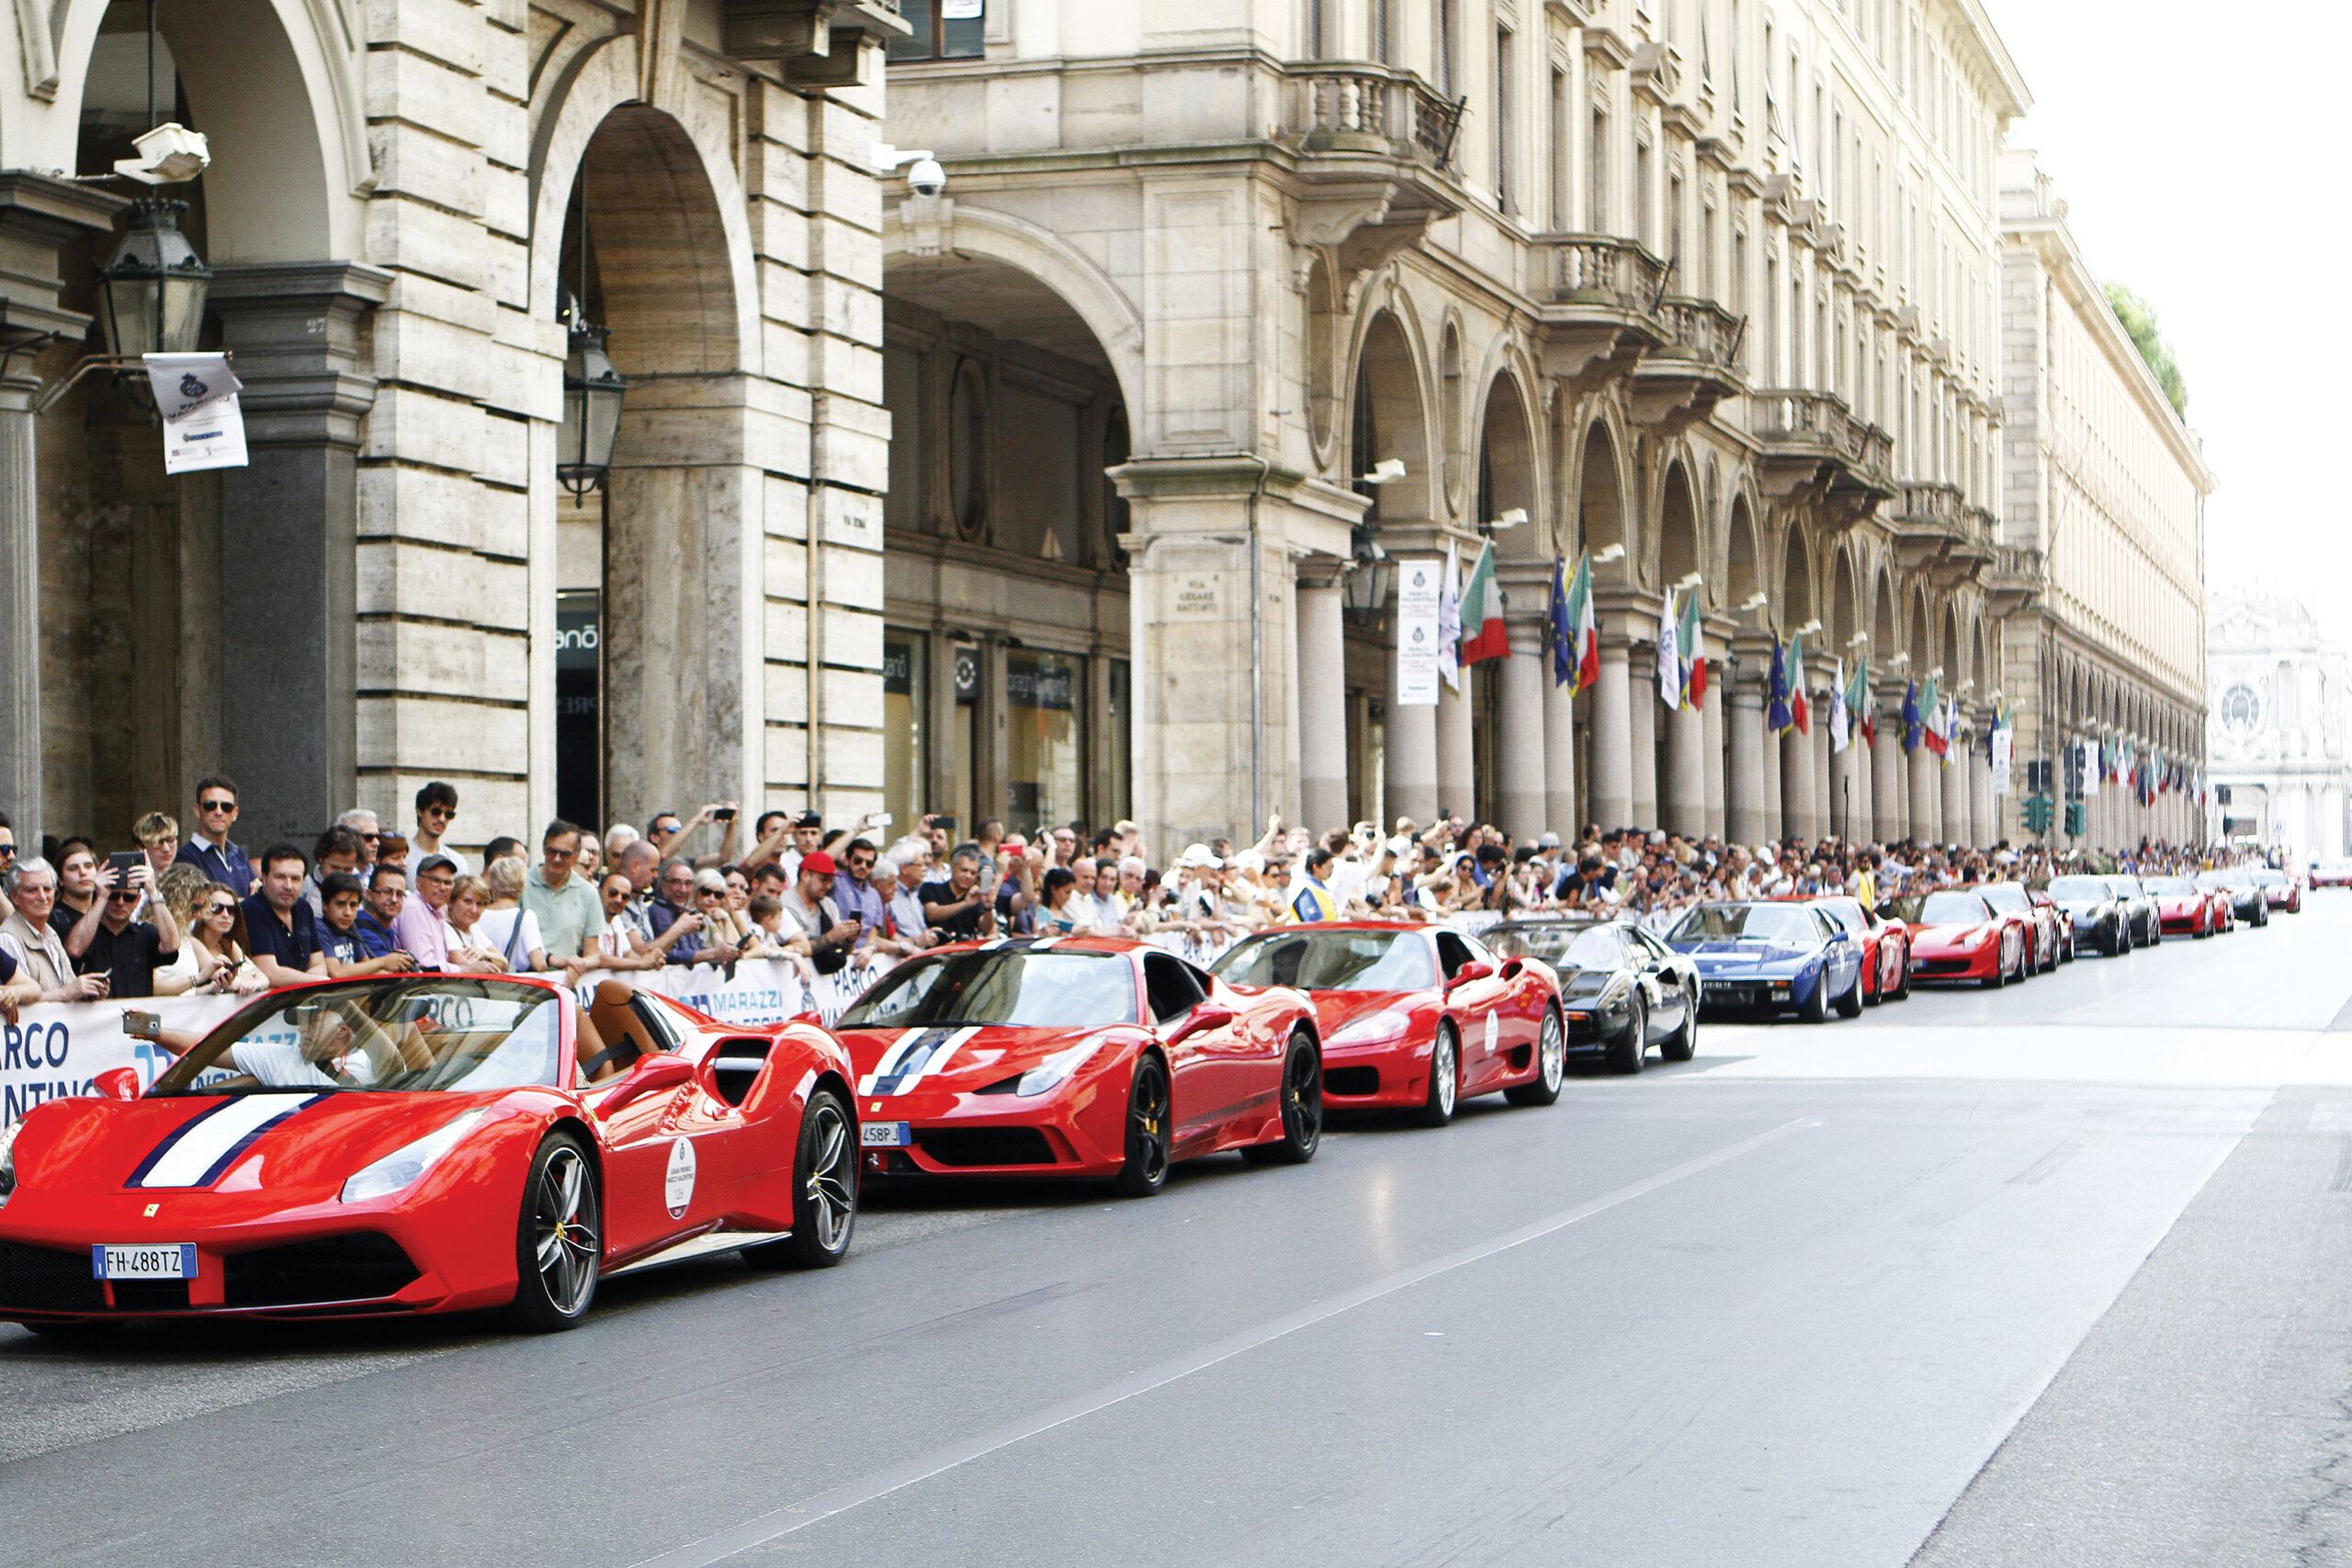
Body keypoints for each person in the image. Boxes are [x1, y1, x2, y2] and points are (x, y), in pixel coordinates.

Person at [70, 861, 176, 998]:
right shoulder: (84, 931)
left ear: (138, 900)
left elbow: (172, 946)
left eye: (129, 897)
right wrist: (102, 897)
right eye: (113, 896)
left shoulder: (145, 934)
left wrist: (153, 892)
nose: (120, 903)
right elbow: (75, 949)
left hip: (136, 1017)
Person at [4, 859, 105, 1000]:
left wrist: (86, 993)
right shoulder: (7, 938)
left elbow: (68, 989)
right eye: (32, 890)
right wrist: (66, 993)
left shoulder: (50, 933)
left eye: (47, 889)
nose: (42, 897)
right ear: (15, 897)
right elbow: (17, 1002)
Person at [154, 880, 266, 996]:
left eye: (231, 910)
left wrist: (255, 983)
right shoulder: (192, 941)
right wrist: (248, 979)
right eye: (216, 907)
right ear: (202, 909)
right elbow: (225, 980)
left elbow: (263, 978)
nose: (225, 915)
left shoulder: (228, 944)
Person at [241, 842, 328, 987]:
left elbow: (319, 964)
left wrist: (309, 987)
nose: (288, 886)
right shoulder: (251, 910)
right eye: (280, 877)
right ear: (264, 878)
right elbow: (270, 973)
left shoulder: (304, 908)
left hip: (303, 998)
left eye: (295, 879)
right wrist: (316, 982)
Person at [522, 818, 601, 969]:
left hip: (564, 981)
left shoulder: (588, 892)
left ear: (577, 855)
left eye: (564, 854)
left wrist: (578, 964)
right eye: (552, 851)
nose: (556, 858)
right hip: (524, 979)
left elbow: (594, 954)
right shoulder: (521, 883)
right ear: (544, 849)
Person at [318, 873, 416, 978]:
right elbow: (336, 973)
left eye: (353, 905)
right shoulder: (319, 928)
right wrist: (384, 961)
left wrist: (402, 975)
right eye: (341, 904)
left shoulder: (350, 927)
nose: (348, 912)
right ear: (325, 905)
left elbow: (368, 967)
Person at [175, 774, 257, 895]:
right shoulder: (185, 858)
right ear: (197, 811)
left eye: (226, 807)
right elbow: (201, 906)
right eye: (210, 805)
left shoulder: (239, 856)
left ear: (235, 813)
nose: (218, 812)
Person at [781, 851, 862, 971]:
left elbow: (843, 951)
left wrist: (850, 939)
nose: (828, 886)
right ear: (805, 875)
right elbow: (798, 948)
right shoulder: (785, 903)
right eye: (824, 880)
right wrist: (831, 936)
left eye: (831, 881)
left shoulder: (829, 904)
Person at [480, 856, 556, 974]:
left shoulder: (478, 914)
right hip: (514, 987)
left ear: (493, 883)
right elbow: (539, 964)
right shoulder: (526, 916)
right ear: (522, 884)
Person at [394, 854, 470, 972]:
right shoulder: (414, 908)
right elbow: (424, 965)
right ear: (418, 882)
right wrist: (466, 970)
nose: (442, 887)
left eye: (448, 882)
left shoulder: (436, 909)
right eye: (435, 881)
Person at [918, 846, 997, 942]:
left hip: (965, 952)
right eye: (964, 870)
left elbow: (986, 928)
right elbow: (932, 914)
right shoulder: (931, 888)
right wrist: (965, 904)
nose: (968, 876)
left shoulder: (975, 896)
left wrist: (988, 908)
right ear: (952, 868)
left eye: (973, 873)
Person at [445, 874, 509, 972]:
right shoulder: (445, 927)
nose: (474, 910)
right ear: (451, 902)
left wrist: (483, 953)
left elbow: (504, 963)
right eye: (468, 902)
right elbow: (462, 963)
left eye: (479, 904)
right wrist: (490, 961)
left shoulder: (473, 928)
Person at [304, 825, 367, 918]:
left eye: (348, 869)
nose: (341, 874)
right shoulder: (305, 887)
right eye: (335, 867)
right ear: (321, 859)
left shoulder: (360, 883)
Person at [411, 781, 468, 874]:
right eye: (436, 812)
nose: (442, 819)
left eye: (449, 814)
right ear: (420, 811)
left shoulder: (458, 862)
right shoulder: (402, 858)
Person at [356, 863, 409, 959]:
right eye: (387, 892)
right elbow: (387, 969)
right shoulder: (362, 929)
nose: (394, 899)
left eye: (400, 894)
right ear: (369, 895)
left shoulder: (386, 928)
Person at [133, 811, 180, 886]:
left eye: (171, 840)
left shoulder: (188, 880)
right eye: (157, 843)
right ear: (141, 847)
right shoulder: (131, 884)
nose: (166, 849)